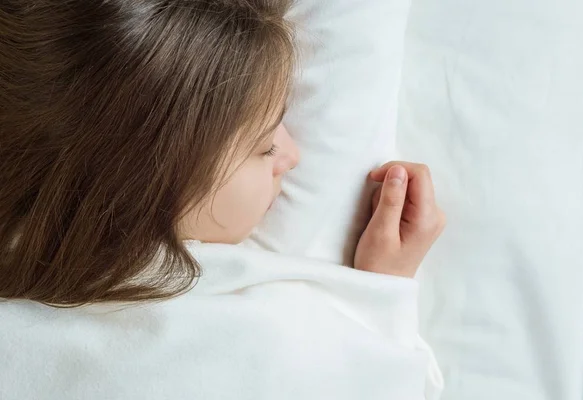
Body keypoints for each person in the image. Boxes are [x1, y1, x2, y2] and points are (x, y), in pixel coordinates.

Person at [0, 1, 446, 398]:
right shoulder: (263, 342)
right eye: (264, 146)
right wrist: (384, 295)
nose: (292, 156)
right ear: (153, 179)